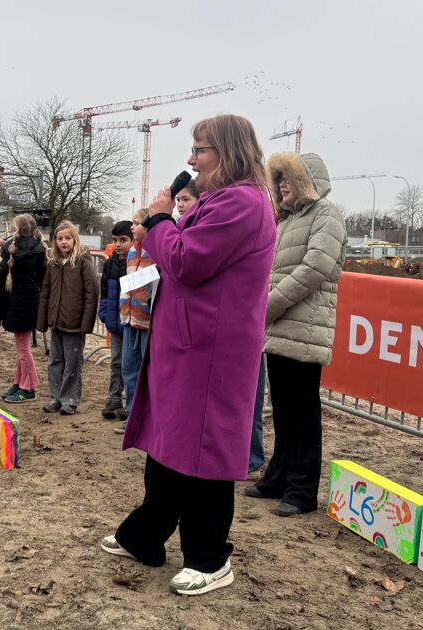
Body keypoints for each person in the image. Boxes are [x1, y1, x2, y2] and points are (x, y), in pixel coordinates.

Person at [102, 114, 275, 596]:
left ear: (227, 152)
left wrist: (159, 220)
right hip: (187, 343)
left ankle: (209, 557)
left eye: (200, 149)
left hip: (212, 350)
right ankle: (145, 535)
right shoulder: (221, 200)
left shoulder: (242, 203)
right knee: (169, 443)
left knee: (203, 450)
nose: (191, 160)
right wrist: (165, 225)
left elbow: (184, 260)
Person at [244, 152, 345, 517]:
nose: (282, 183)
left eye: (289, 177)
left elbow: (315, 266)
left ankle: (302, 491)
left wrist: (267, 306)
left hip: (304, 329)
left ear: (307, 180)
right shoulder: (287, 220)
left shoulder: (326, 215)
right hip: (281, 328)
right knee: (284, 412)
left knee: (303, 413)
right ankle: (278, 478)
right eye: (279, 177)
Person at [37, 221, 99, 416]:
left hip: (74, 323)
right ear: (55, 241)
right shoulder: (53, 263)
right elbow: (45, 291)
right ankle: (55, 398)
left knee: (72, 363)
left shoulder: (82, 261)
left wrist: (86, 322)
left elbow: (92, 291)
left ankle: (69, 400)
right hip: (57, 321)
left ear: (74, 239)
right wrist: (42, 319)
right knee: (55, 362)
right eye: (60, 238)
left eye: (67, 238)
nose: (63, 242)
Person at [113, 207, 156, 435]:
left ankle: (147, 417)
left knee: (145, 371)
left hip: (147, 321)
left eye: (137, 223)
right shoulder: (130, 254)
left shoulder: (157, 252)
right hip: (128, 318)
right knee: (129, 368)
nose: (132, 227)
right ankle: (132, 414)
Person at [0, 214, 45, 404]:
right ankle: (19, 382)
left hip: (18, 302)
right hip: (31, 301)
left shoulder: (11, 249)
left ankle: (29, 387)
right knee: (22, 347)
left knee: (23, 348)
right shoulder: (39, 249)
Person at [98, 220, 133, 420]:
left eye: (123, 240)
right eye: (115, 240)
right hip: (114, 321)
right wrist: (104, 313)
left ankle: (129, 402)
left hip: (130, 322)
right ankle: (113, 399)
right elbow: (105, 292)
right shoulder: (110, 264)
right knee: (116, 362)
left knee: (129, 364)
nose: (118, 244)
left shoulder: (135, 262)